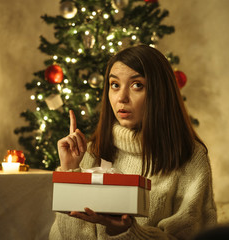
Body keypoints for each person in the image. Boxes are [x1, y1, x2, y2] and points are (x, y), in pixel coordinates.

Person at [49, 44, 217, 239]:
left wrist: (129, 232)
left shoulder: (190, 157)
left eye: (137, 85)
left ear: (160, 92)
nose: (121, 97)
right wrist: (70, 171)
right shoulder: (89, 153)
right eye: (115, 85)